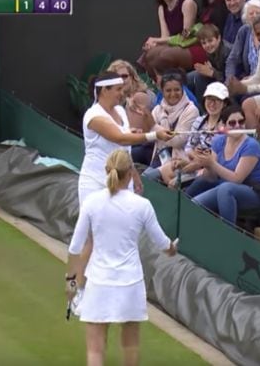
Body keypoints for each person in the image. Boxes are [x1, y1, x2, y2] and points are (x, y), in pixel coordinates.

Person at [66, 149, 177, 366]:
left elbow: (75, 248)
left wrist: (71, 285)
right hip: (130, 284)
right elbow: (163, 243)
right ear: (130, 174)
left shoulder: (92, 202)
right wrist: (172, 248)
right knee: (130, 346)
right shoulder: (142, 205)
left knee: (95, 351)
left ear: (107, 171)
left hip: (99, 283)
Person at [75, 72, 175, 298]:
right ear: (103, 91)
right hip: (94, 182)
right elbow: (119, 138)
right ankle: (78, 292)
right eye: (118, 89)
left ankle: (115, 290)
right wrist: (152, 135)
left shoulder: (120, 111)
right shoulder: (93, 116)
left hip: (122, 181)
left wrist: (133, 174)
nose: (123, 93)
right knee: (91, 239)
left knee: (123, 234)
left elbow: (124, 144)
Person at [186, 105, 260, 225]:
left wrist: (212, 164)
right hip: (224, 187)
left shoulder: (251, 145)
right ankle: (181, 211)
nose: (237, 126)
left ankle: (228, 231)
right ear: (224, 126)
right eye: (232, 123)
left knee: (226, 188)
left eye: (241, 122)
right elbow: (212, 177)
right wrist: (206, 164)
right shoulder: (219, 141)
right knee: (198, 194)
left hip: (253, 192)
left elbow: (237, 179)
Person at [149, 82, 229, 187]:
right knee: (150, 176)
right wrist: (193, 160)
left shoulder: (226, 125)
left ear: (225, 103)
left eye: (217, 100)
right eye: (209, 99)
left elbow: (218, 155)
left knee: (173, 183)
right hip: (191, 162)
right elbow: (189, 146)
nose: (212, 103)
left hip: (209, 170)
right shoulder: (200, 121)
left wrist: (197, 163)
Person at [141, 0, 206, 77]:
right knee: (149, 55)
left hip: (194, 45)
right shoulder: (162, 9)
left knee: (164, 56)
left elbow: (185, 36)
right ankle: (161, 86)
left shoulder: (187, 3)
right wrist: (153, 44)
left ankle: (177, 84)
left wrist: (156, 40)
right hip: (176, 46)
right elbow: (164, 37)